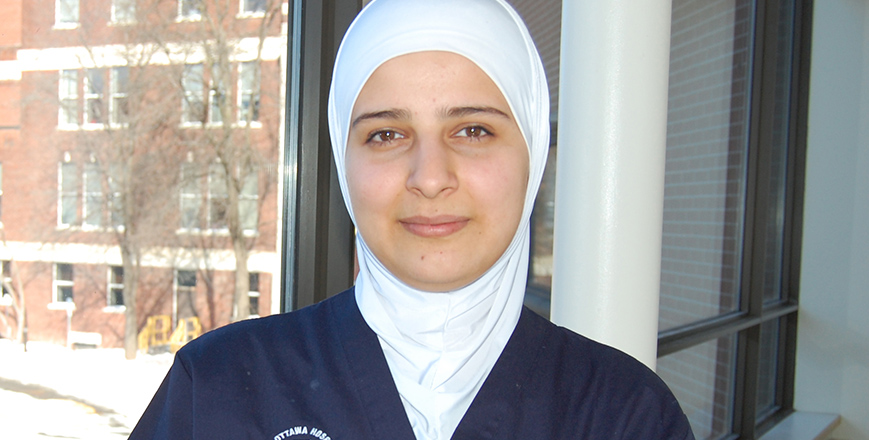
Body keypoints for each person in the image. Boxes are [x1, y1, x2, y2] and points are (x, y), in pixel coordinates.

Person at [128, 0, 695, 439]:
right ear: (343, 161)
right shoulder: (217, 390)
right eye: (386, 134)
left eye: (473, 130)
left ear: (534, 153)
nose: (429, 176)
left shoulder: (626, 415)